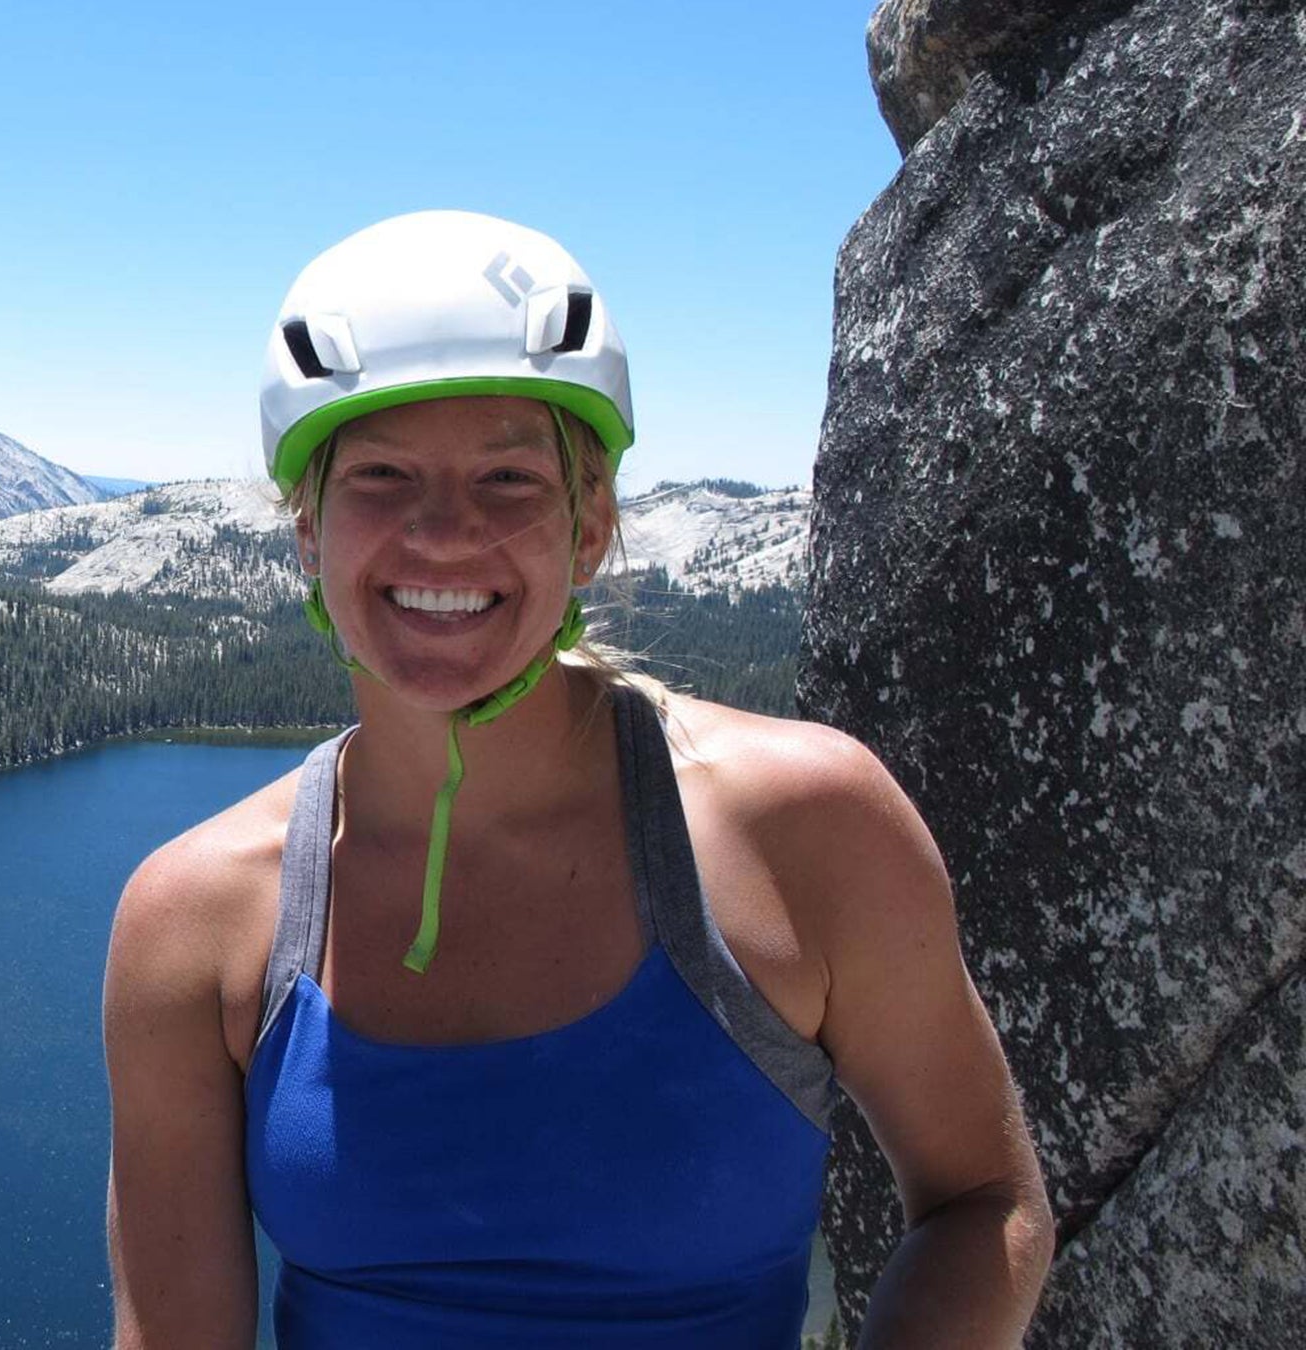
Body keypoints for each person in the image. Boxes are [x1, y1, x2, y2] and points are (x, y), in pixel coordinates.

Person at [101, 210, 1054, 1348]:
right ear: (307, 534)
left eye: (508, 477)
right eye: (381, 476)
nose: (443, 534)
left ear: (589, 526)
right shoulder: (199, 921)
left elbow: (984, 1200)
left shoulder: (802, 828)